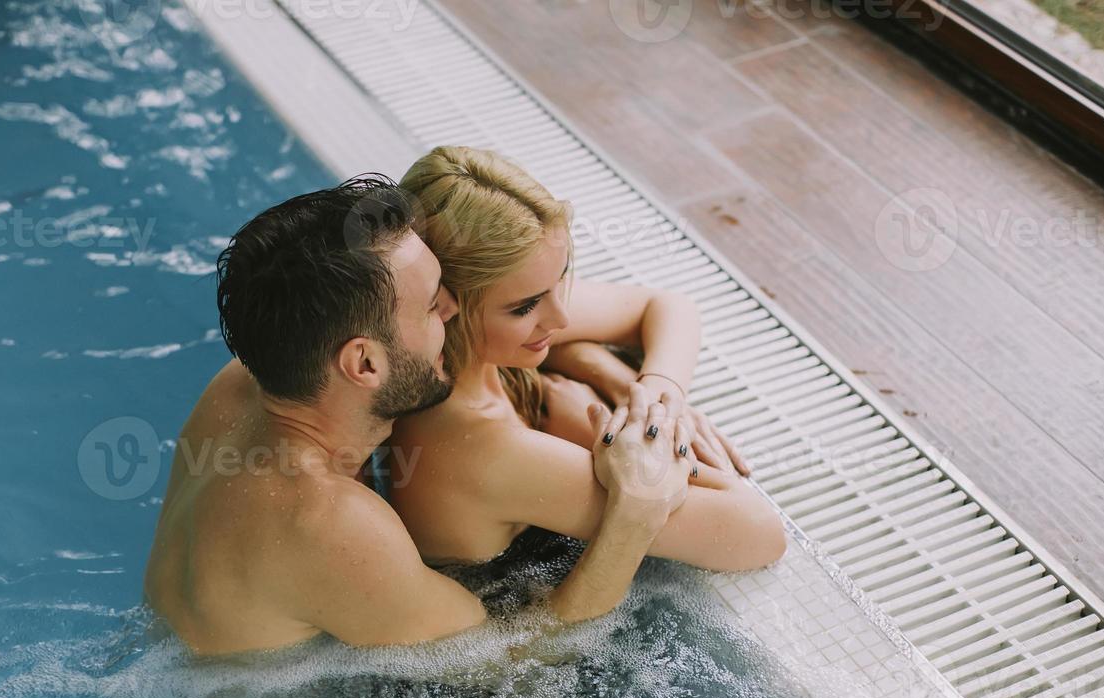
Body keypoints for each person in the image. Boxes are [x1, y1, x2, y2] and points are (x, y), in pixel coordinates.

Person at [144, 177, 694, 655]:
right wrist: (634, 517)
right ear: (363, 362)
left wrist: (585, 358)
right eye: (433, 305)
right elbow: (522, 660)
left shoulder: (252, 379)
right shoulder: (331, 524)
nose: (453, 310)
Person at [388, 146, 787, 570]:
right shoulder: (482, 447)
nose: (560, 317)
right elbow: (757, 533)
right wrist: (617, 438)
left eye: (560, 280)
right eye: (526, 307)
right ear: (444, 306)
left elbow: (668, 306)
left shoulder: (471, 350)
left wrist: (656, 396)